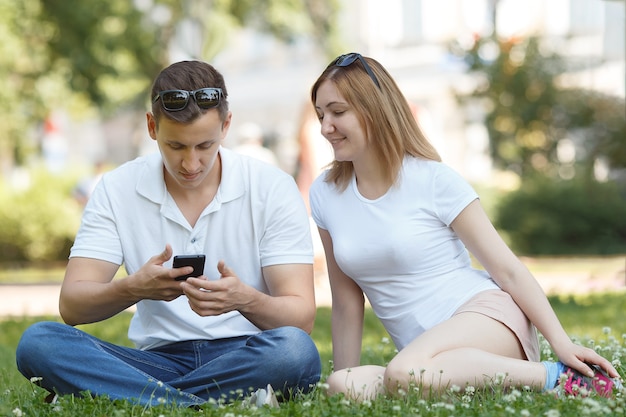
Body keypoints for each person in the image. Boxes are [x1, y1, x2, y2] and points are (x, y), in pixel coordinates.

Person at [308, 52, 622, 400]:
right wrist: (345, 375)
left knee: (403, 371)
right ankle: (431, 378)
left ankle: (556, 377)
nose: (325, 127)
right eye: (321, 115)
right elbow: (345, 300)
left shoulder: (432, 179)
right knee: (343, 385)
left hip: (485, 318)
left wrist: (561, 344)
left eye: (338, 112)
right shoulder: (325, 194)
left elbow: (508, 270)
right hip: (424, 354)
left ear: (374, 109)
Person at [16, 60, 321, 407]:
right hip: (156, 362)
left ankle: (143, 397)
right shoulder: (117, 188)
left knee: (295, 352)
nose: (191, 164)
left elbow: (301, 318)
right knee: (39, 342)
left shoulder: (271, 187)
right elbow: (72, 306)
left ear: (227, 125)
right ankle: (203, 401)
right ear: (151, 126)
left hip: (246, 354)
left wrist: (243, 299)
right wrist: (132, 288)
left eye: (205, 145)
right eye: (176, 146)